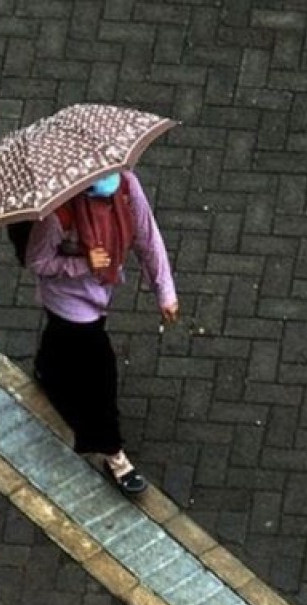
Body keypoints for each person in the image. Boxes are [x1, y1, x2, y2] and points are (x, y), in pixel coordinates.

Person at [22, 170, 179, 495]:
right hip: (69, 301)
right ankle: (114, 454)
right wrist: (84, 262)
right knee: (100, 374)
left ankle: (47, 368)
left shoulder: (125, 186)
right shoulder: (57, 214)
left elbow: (147, 236)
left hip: (98, 293)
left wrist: (165, 291)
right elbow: (38, 262)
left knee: (62, 340)